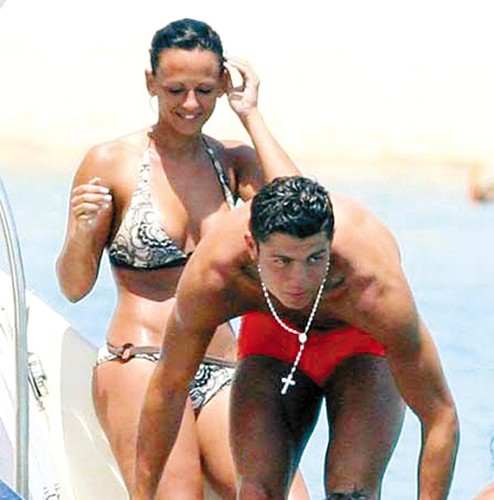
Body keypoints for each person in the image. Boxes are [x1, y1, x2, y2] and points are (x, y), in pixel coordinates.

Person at [56, 18, 309, 499]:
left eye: (205, 91)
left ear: (223, 86)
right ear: (150, 82)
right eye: (176, 90)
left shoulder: (232, 162)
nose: (191, 104)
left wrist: (251, 115)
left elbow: (303, 217)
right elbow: (73, 287)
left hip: (223, 368)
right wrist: (83, 233)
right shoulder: (111, 161)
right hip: (141, 361)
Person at [133, 175, 460, 499]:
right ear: (252, 246)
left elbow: (440, 416)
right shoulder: (215, 274)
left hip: (359, 344)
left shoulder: (373, 286)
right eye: (282, 261)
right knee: (256, 493)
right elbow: (169, 387)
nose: (298, 280)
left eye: (315, 258)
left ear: (330, 241)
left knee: (350, 493)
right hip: (272, 341)